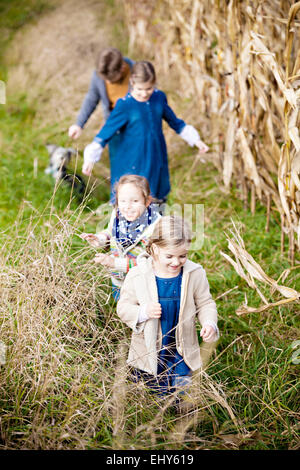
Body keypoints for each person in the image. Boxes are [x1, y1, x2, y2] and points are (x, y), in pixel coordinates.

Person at [117, 215, 219, 398]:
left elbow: (205, 303)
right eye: (169, 256)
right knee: (152, 385)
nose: (176, 262)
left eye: (183, 256)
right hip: (151, 345)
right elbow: (123, 307)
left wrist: (209, 322)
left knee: (183, 383)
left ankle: (182, 405)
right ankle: (157, 410)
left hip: (182, 342)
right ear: (155, 248)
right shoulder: (138, 275)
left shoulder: (194, 273)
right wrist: (143, 312)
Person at [83, 61, 209, 203]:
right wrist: (90, 157)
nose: (144, 94)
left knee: (156, 195)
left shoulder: (158, 98)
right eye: (139, 89)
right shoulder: (125, 105)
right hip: (133, 159)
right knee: (134, 197)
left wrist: (196, 140)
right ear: (132, 83)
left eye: (148, 89)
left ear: (154, 83)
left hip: (155, 155)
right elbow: (106, 132)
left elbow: (174, 121)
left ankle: (155, 223)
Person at [80, 174, 161, 300]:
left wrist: (115, 263)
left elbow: (150, 263)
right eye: (122, 201)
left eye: (135, 201)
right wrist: (100, 239)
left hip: (142, 285)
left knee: (138, 313)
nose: (127, 206)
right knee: (120, 308)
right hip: (118, 279)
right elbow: (111, 232)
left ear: (147, 202)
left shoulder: (154, 227)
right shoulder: (118, 215)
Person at [68, 47, 134, 139]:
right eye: (105, 79)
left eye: (111, 79)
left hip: (135, 128)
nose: (108, 82)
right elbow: (91, 99)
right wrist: (79, 124)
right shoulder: (99, 75)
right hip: (113, 127)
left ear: (122, 68)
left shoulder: (139, 74)